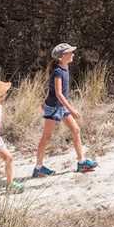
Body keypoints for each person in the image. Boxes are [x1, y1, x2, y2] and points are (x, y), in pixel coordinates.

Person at [33, 42, 98, 176]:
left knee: (75, 130)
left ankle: (81, 162)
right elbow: (58, 93)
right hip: (54, 108)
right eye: (70, 52)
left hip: (61, 107)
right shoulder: (58, 71)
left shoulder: (64, 68)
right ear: (62, 56)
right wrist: (72, 109)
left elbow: (52, 89)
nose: (73, 54)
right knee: (46, 137)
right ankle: (38, 168)